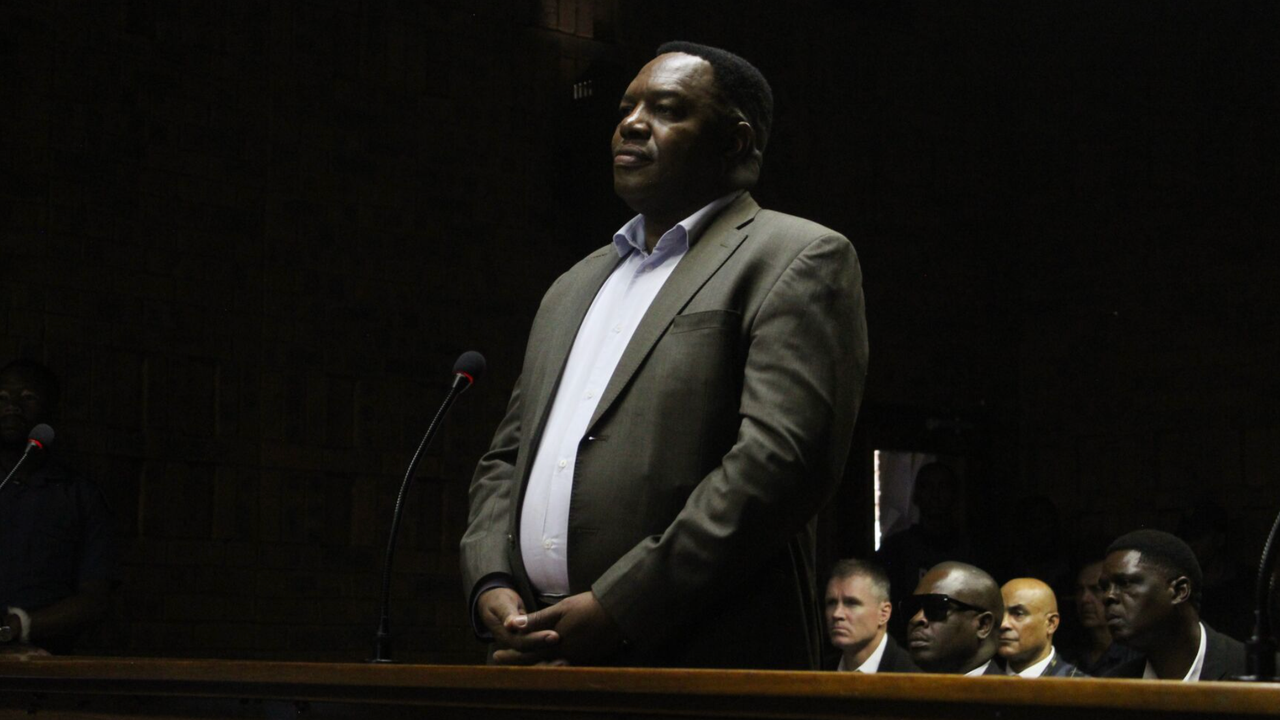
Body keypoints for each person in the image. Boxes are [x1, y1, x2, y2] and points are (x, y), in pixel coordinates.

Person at [460, 42, 868, 668]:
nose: (631, 122)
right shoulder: (575, 285)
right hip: (540, 655)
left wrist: (623, 604)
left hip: (700, 656)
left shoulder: (795, 257)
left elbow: (780, 467)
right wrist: (490, 579)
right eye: (626, 108)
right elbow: (507, 457)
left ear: (734, 142)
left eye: (667, 109)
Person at [0, 359, 117, 655]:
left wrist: (22, 626)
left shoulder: (79, 496)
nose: (12, 406)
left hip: (47, 663)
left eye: (27, 397)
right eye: (1, 398)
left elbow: (95, 598)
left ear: (50, 410)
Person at [1100, 529, 1247, 680]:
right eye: (1104, 587)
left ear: (1179, 591)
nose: (1107, 596)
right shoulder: (1115, 687)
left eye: (1125, 583)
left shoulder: (1252, 670)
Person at [875, 463, 975, 637]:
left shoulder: (970, 549)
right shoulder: (896, 548)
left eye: (942, 487)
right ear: (916, 495)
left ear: (954, 495)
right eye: (927, 486)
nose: (935, 495)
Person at [902, 562, 1005, 675]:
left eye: (936, 607)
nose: (916, 619)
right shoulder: (898, 691)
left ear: (983, 625)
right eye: (912, 607)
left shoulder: (1012, 692)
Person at [824, 559, 919, 673]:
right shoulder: (817, 672)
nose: (836, 614)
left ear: (884, 613)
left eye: (851, 603)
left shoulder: (911, 679)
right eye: (831, 603)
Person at [1061, 558, 1140, 676]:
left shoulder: (1135, 655)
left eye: (1096, 589)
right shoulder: (1069, 656)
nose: (1084, 599)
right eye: (1079, 590)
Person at [998, 578, 1085, 677]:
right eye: (1000, 613)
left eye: (1018, 614)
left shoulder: (1082, 689)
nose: (1003, 624)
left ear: (1051, 624)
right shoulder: (982, 683)